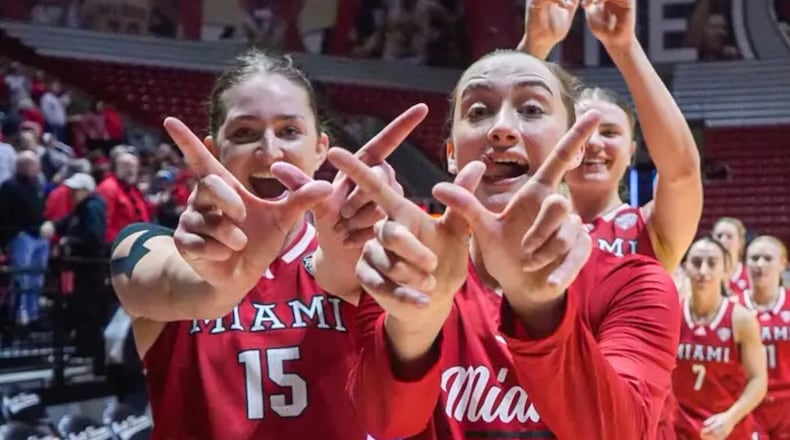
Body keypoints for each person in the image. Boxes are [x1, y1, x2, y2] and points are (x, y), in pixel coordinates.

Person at [330, 43, 681, 438]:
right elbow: (386, 423)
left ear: (576, 148)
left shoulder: (635, 284)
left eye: (531, 109)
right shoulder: (408, 266)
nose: (501, 128)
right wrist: (416, 324)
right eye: (478, 111)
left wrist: (538, 307)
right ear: (451, 154)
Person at [109, 49, 416, 439]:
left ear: (321, 148)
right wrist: (216, 284)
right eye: (244, 133)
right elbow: (168, 282)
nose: (270, 152)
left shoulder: (361, 254)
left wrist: (366, 266)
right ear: (213, 150)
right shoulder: (145, 248)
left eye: (289, 131)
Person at [518, 0, 702, 273]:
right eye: (577, 132)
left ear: (631, 151)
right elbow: (489, 149)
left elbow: (682, 172)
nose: (592, 143)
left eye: (610, 132)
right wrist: (535, 46)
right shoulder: (525, 221)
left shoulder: (651, 229)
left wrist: (625, 47)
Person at [673, 236, 766, 440]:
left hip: (727, 428)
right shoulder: (673, 314)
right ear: (685, 266)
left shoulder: (741, 319)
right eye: (696, 263)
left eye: (712, 263)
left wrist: (731, 417)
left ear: (726, 270)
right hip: (679, 428)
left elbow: (759, 380)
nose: (703, 271)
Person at [738, 236, 790, 440]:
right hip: (748, 405)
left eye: (768, 258)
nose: (760, 264)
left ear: (783, 264)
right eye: (754, 258)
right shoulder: (734, 307)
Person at [713, 216, 750, 296]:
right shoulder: (704, 275)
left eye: (729, 236)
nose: (722, 240)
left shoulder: (750, 276)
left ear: (741, 242)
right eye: (719, 236)